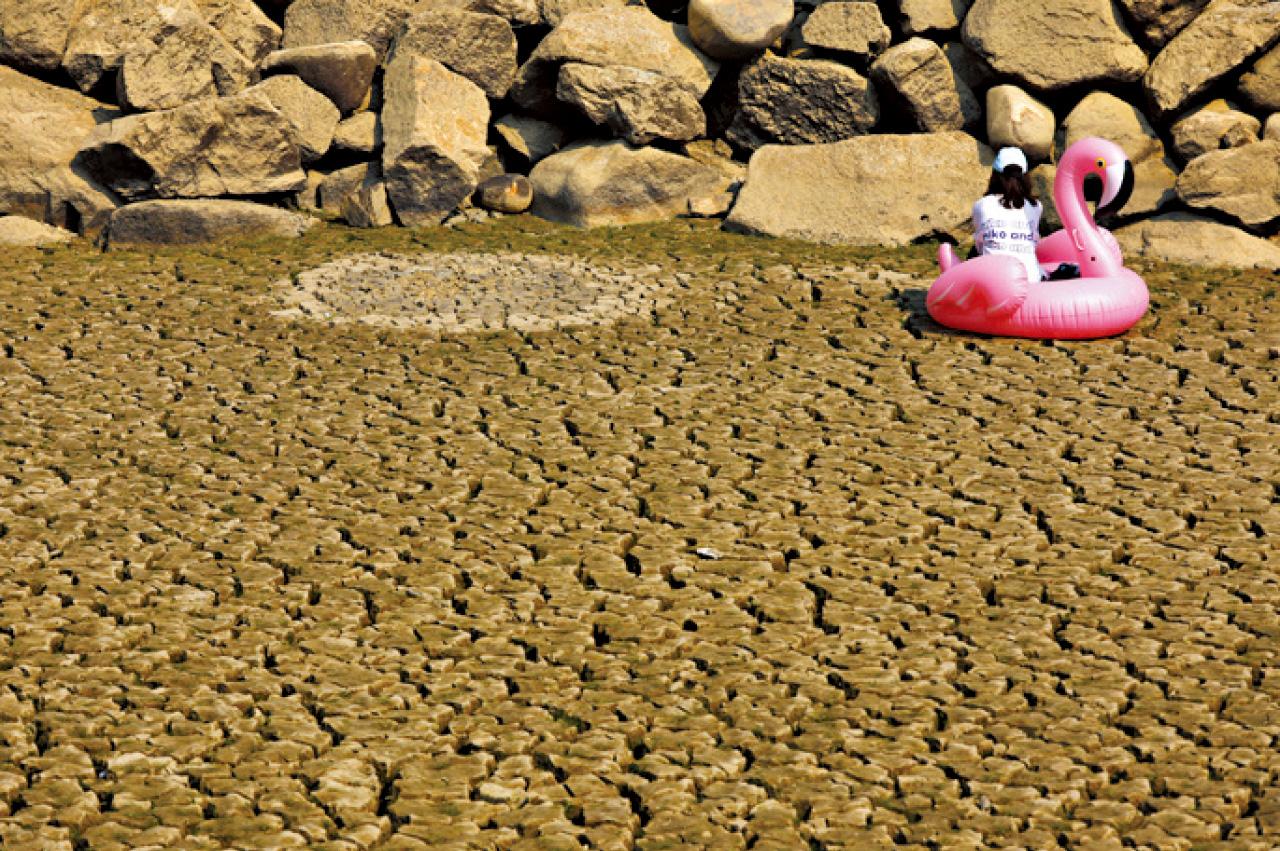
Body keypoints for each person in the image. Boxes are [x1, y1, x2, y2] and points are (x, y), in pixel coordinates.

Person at [972, 147, 1073, 282]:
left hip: (993, 282)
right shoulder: (1035, 206)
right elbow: (1033, 242)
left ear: (995, 175)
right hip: (1031, 279)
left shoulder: (982, 205)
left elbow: (980, 244)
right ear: (1025, 176)